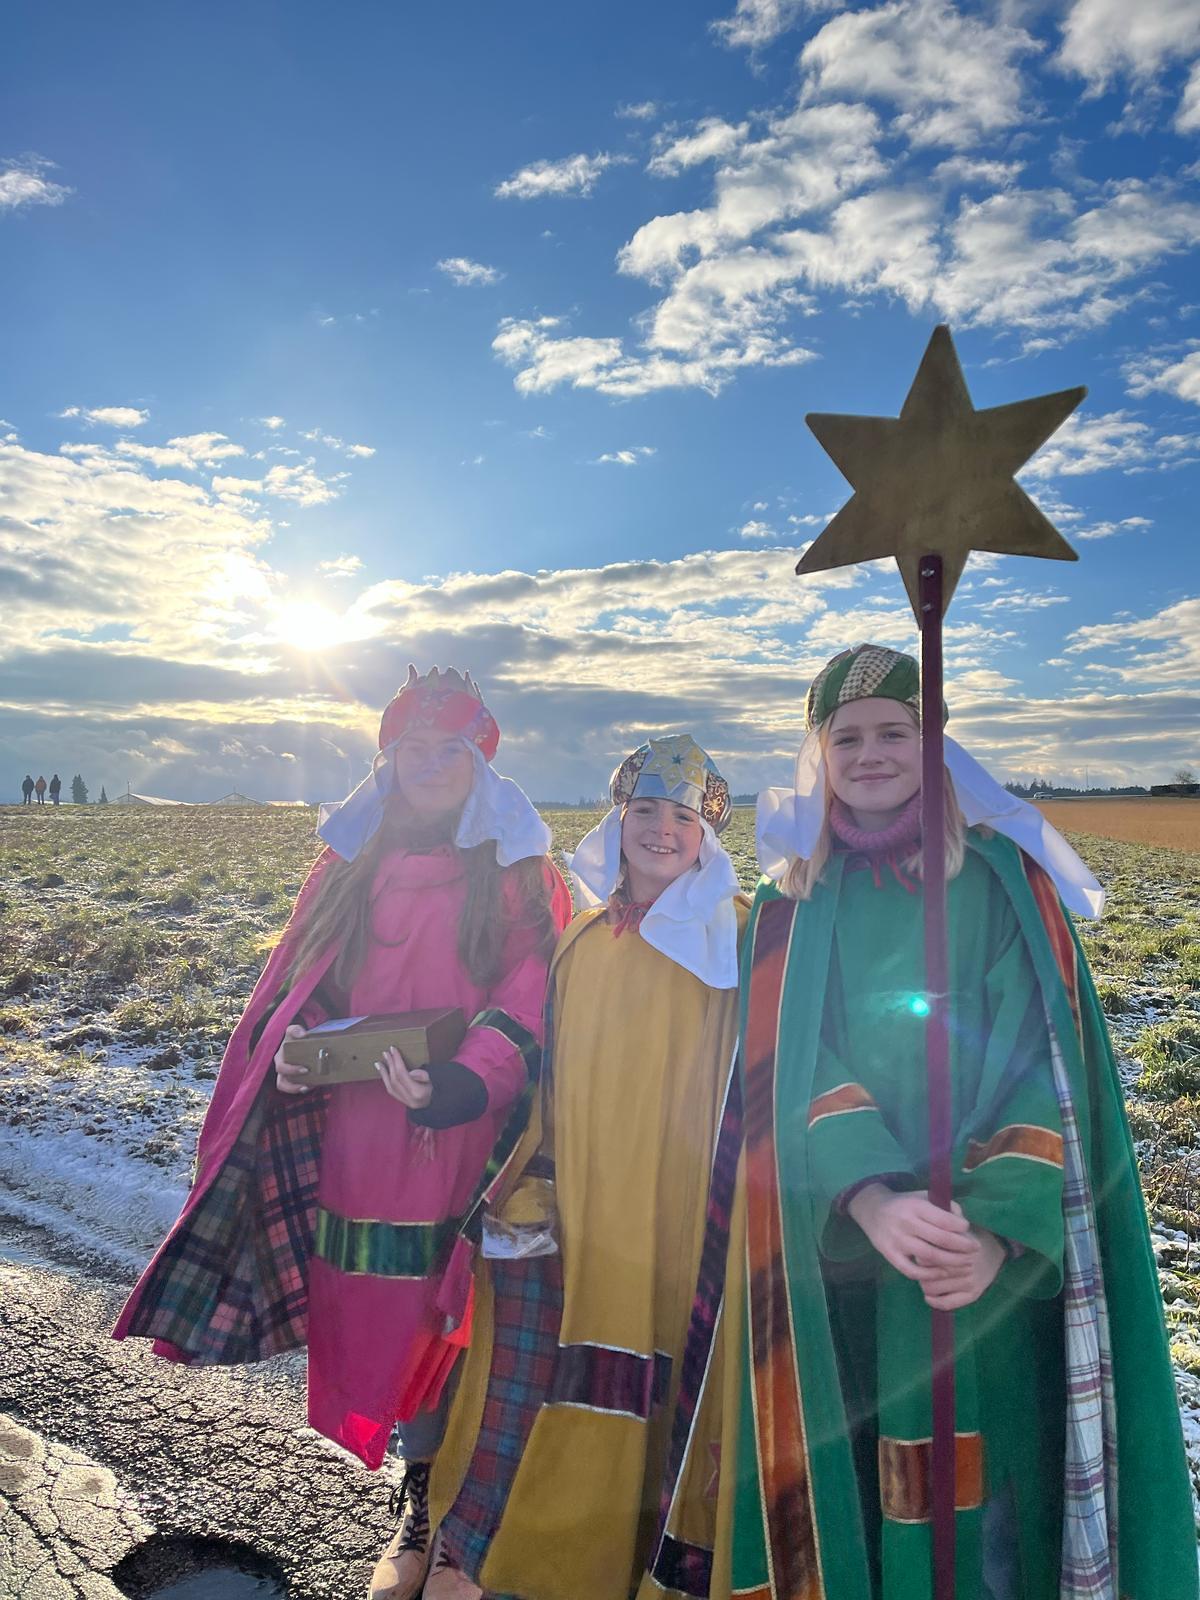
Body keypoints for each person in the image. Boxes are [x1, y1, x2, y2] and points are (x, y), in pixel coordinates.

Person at [711, 643, 1196, 1600]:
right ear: (818, 755)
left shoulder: (1004, 881)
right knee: (855, 1481)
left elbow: (1042, 1062)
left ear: (934, 743)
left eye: (896, 731)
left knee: (990, 1509)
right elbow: (789, 1061)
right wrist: (873, 1197)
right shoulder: (789, 902)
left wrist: (992, 1230)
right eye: (847, 737)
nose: (871, 753)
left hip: (983, 1270)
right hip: (842, 1258)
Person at [113, 666, 572, 1600]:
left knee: (471, 1317)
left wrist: (464, 1080)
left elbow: (532, 991)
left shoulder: (519, 870)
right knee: (388, 1315)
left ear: (479, 761)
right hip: (359, 1139)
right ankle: (421, 1494)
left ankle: (471, 1524)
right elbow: (302, 984)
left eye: (449, 751)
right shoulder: (346, 863)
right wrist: (295, 1054)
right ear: (388, 759)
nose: (429, 766)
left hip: (476, 1137)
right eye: (413, 750)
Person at [424, 734, 749, 1600]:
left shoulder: (736, 936)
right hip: (590, 1199)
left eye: (681, 817)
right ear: (618, 819)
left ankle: (650, 1567)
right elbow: (555, 1077)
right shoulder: (580, 941)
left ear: (706, 836)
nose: (661, 829)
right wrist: (533, 1175)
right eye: (645, 810)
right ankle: (532, 1555)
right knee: (566, 1375)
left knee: (673, 1380)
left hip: (683, 1204)